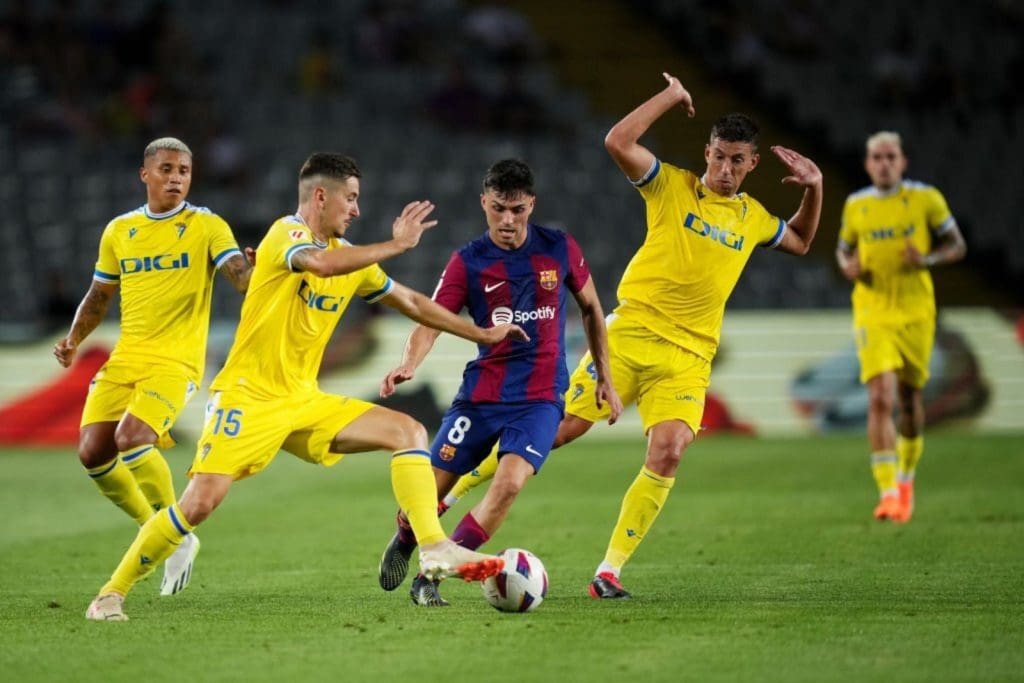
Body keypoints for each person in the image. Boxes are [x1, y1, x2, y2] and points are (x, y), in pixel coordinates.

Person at [84, 152, 525, 621]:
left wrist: (479, 334)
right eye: (350, 199)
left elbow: (411, 300)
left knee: (409, 432)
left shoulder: (349, 256)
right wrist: (395, 245)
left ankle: (434, 546)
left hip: (302, 399)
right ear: (321, 196)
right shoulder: (286, 235)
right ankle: (110, 593)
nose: (356, 209)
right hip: (248, 397)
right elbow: (319, 265)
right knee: (199, 503)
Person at [438, 73, 824, 599]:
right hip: (630, 335)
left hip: (690, 356)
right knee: (558, 430)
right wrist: (670, 96)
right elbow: (617, 142)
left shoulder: (753, 218)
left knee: (668, 450)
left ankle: (609, 570)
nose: (725, 169)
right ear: (706, 151)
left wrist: (816, 188)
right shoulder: (671, 186)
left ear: (753, 163)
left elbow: (801, 239)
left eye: (737, 160)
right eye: (718, 156)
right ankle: (452, 490)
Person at [375, 159, 623, 606]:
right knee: (426, 495)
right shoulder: (468, 261)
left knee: (508, 483)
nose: (508, 221)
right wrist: (409, 362)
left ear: (532, 204)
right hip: (481, 398)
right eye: (498, 209)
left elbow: (591, 309)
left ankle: (431, 576)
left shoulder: (559, 248)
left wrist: (605, 376)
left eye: (518, 210)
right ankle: (407, 537)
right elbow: (431, 320)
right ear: (483, 204)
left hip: (541, 399)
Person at [54, 137, 251, 598]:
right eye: (166, 169)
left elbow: (238, 275)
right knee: (92, 453)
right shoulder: (120, 230)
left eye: (183, 170)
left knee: (133, 438)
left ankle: (175, 532)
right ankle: (162, 532)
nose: (176, 178)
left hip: (176, 361)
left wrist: (255, 274)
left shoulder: (206, 225)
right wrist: (74, 339)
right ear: (145, 174)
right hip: (126, 357)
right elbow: (100, 294)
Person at [836, 131, 966, 523]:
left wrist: (925, 259)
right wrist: (848, 266)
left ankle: (906, 481)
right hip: (872, 311)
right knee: (880, 397)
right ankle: (888, 492)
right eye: (876, 157)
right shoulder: (856, 206)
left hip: (915, 312)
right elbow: (844, 249)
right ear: (867, 163)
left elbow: (957, 246)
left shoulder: (926, 199)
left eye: (891, 156)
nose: (884, 163)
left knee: (909, 401)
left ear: (903, 161)